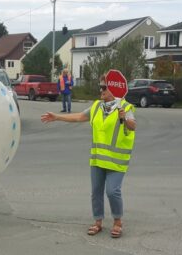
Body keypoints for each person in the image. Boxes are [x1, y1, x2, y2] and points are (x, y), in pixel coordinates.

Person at [41, 75, 136, 238]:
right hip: (98, 159)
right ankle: (97, 221)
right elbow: (78, 117)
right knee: (96, 191)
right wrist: (57, 117)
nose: (101, 90)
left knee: (113, 191)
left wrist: (124, 118)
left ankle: (117, 221)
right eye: (100, 87)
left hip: (117, 161)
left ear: (113, 89)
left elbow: (132, 126)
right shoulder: (97, 107)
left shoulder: (126, 108)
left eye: (104, 87)